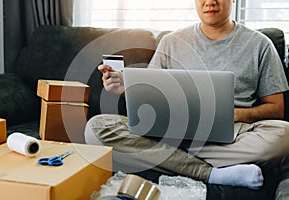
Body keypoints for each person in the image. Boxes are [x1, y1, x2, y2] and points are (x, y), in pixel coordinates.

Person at [84, 0, 289, 190]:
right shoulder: (171, 42)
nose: (210, 2)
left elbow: (276, 108)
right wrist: (126, 89)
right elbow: (149, 102)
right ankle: (211, 174)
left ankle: (169, 157)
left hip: (233, 136)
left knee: (285, 135)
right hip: (173, 131)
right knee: (97, 128)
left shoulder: (260, 45)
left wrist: (235, 114)